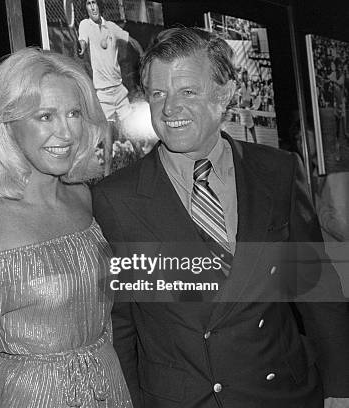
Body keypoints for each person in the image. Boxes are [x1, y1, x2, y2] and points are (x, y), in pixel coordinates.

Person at [91, 27, 349, 408]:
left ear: (225, 93)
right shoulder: (115, 197)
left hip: (280, 393)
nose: (169, 108)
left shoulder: (276, 171)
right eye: (158, 93)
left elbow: (315, 286)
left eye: (188, 92)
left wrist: (340, 388)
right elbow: (120, 327)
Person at [0, 48, 132, 408]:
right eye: (45, 116)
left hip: (108, 386)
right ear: (7, 124)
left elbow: (104, 316)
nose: (66, 131)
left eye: (74, 113)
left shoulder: (82, 199)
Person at [78, 0, 143, 122]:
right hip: (102, 93)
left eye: (94, 3)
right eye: (88, 4)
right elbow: (82, 41)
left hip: (119, 89)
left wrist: (142, 54)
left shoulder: (111, 27)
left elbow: (132, 41)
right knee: (108, 132)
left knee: (130, 128)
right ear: (85, 8)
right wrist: (81, 47)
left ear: (99, 6)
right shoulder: (85, 24)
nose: (92, 7)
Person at [237, 70, 258, 144]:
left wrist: (254, 94)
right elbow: (239, 98)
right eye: (244, 75)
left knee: (251, 126)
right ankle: (245, 142)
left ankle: (255, 142)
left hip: (249, 108)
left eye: (246, 74)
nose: (245, 76)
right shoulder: (241, 84)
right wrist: (239, 106)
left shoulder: (250, 84)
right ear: (242, 76)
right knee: (244, 127)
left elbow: (254, 93)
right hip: (243, 108)